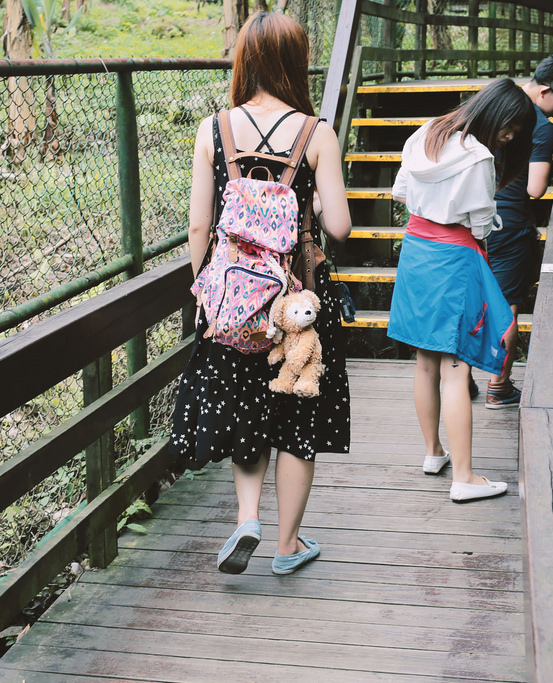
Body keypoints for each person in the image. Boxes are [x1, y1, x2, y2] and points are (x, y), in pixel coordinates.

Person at [169, 11, 353, 575]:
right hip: (296, 299)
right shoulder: (316, 131)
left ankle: (246, 516)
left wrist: (208, 291)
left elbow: (199, 228)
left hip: (232, 301)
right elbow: (341, 228)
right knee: (299, 412)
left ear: (245, 59)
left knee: (246, 405)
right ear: (295, 62)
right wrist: (317, 206)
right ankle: (286, 545)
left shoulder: (213, 129)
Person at [388, 78, 535, 503]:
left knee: (425, 362)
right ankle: (465, 478)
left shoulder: (427, 132)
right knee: (456, 369)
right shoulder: (479, 157)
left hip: (416, 252)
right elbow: (480, 224)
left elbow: (401, 191)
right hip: (453, 259)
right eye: (512, 129)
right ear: (500, 116)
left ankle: (434, 453)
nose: (510, 138)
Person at [485, 55, 553, 409]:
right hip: (509, 220)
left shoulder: (494, 101)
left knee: (471, 298)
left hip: (472, 213)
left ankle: (458, 377)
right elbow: (535, 188)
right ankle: (498, 386)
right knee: (507, 305)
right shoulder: (540, 123)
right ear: (545, 92)